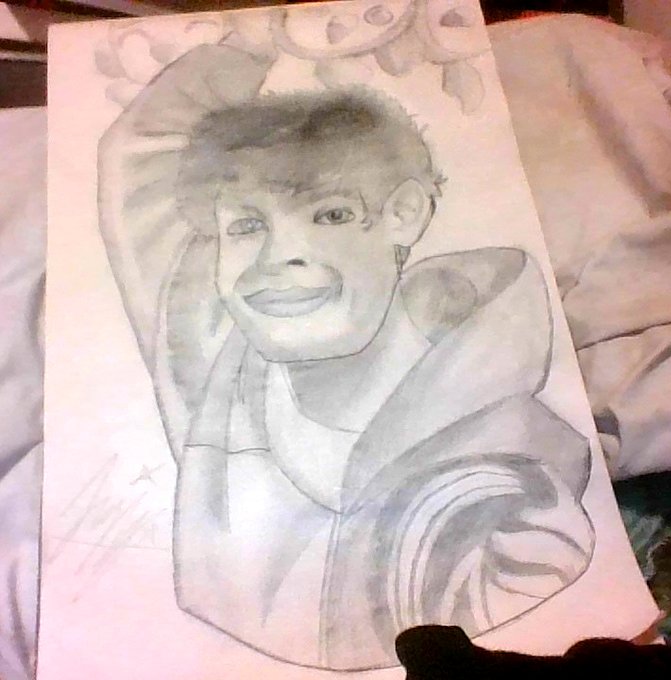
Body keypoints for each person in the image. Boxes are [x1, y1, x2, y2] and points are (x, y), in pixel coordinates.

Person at [99, 47, 594, 672]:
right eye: (246, 227)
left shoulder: (511, 499)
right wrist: (254, 42)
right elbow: (137, 163)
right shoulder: (218, 378)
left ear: (404, 215)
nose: (279, 257)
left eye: (330, 214)